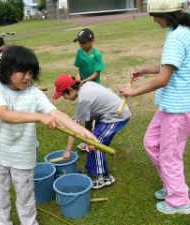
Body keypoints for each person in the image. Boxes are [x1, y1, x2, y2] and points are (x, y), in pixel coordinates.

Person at [0, 45, 97, 225]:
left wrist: (83, 132)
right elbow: (5, 115)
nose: (28, 77)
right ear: (7, 69)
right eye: (22, 71)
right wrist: (39, 116)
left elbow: (57, 114)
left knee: (26, 198)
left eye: (31, 72)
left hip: (23, 157)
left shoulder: (34, 94)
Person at [119, 0, 190, 214]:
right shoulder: (180, 31)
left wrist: (133, 91)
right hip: (170, 106)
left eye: (155, 16)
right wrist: (144, 70)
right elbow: (169, 65)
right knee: (151, 142)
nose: (155, 21)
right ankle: (172, 185)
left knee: (170, 155)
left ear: (167, 15)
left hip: (178, 108)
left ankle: (179, 201)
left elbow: (163, 79)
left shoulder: (177, 37)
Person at [53, 74, 131, 189]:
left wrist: (67, 151)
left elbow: (73, 129)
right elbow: (107, 91)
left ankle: (101, 177)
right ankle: (90, 169)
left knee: (96, 145)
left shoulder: (84, 99)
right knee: (91, 142)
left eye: (63, 95)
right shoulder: (87, 85)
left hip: (116, 117)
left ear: (70, 90)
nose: (64, 98)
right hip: (107, 115)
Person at [73, 28, 105, 149]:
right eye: (80, 43)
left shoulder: (96, 54)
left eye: (84, 43)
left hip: (94, 87)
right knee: (86, 114)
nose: (81, 45)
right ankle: (87, 140)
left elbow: (96, 73)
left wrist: (84, 81)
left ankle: (94, 139)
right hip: (83, 86)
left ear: (92, 40)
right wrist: (78, 75)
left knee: (93, 115)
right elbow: (78, 67)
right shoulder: (79, 52)